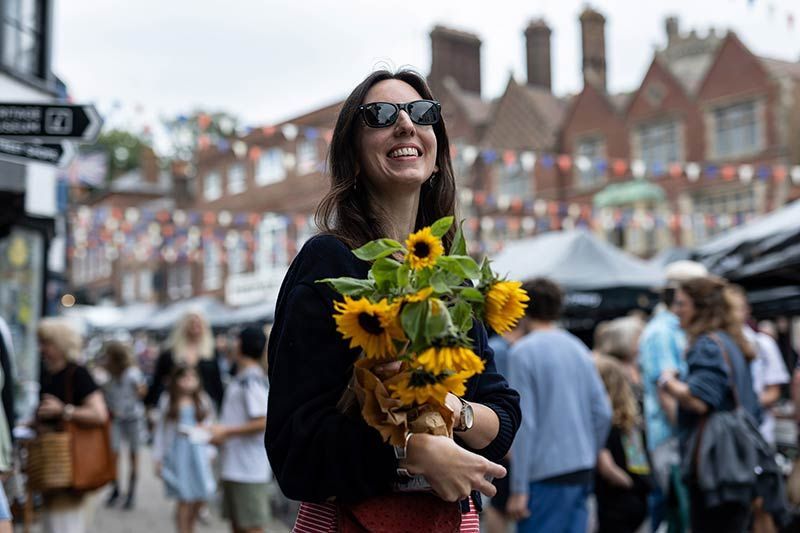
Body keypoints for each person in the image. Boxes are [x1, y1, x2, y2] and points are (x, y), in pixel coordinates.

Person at [265, 69, 520, 532]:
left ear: (438, 154)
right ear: (354, 158)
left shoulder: (451, 275)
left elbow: (501, 416)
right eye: (380, 115)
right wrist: (412, 452)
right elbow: (295, 452)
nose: (405, 124)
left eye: (423, 114)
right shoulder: (329, 263)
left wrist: (449, 407)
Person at [505, 277, 612, 533]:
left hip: (543, 474)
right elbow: (603, 412)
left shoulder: (522, 352)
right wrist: (590, 449)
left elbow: (525, 423)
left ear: (523, 308)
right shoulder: (577, 347)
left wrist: (519, 488)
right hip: (581, 468)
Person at [658, 276, 761, 533]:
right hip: (735, 461)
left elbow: (700, 400)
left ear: (701, 307)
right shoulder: (729, 340)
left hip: (716, 465)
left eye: (682, 304)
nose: (676, 311)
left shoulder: (707, 344)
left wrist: (668, 382)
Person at [638, 260, 707, 533]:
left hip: (677, 437)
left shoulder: (672, 328)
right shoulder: (662, 332)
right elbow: (666, 391)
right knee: (680, 514)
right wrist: (686, 435)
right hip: (673, 438)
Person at [36, 318, 110, 533]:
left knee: (65, 524)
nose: (42, 349)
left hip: (70, 464)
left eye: (46, 343)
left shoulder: (77, 373)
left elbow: (99, 413)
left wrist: (65, 411)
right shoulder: (48, 373)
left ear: (59, 344)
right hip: (51, 466)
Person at [727, 285, 789, 533]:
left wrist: (744, 405)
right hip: (736, 436)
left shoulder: (762, 344)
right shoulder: (722, 343)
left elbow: (774, 389)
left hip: (759, 433)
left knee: (762, 501)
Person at [209, 326, 271, 533]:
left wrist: (225, 432)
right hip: (236, 465)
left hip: (248, 468)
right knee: (238, 525)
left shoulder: (251, 380)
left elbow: (262, 421)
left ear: (240, 345)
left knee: (251, 527)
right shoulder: (246, 378)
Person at [152, 364, 216, 533]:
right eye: (184, 377)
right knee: (183, 497)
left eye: (192, 377)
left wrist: (211, 452)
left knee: (199, 495)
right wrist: (157, 458)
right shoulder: (168, 400)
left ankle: (191, 527)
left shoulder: (203, 399)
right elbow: (161, 431)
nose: (188, 381)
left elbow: (209, 427)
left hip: (198, 454)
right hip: (178, 454)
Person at [594, 355, 652, 533]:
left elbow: (607, 467)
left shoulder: (603, 422)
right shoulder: (629, 422)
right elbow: (639, 464)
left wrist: (624, 482)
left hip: (615, 503)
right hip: (635, 500)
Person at [485, 325, 525, 533]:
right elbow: (497, 398)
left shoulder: (507, 347)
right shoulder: (499, 349)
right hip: (504, 436)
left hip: (509, 435)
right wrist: (507, 443)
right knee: (499, 502)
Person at [100, 340, 148, 510]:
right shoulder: (111, 375)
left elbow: (142, 391)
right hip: (117, 419)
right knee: (113, 454)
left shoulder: (131, 373)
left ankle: (131, 493)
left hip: (132, 418)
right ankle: (116, 489)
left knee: (133, 455)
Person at [145, 311, 224, 410]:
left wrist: (222, 405)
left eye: (198, 323)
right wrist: (149, 404)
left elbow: (216, 382)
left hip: (205, 405)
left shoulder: (211, 351)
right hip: (175, 406)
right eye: (192, 323)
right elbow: (158, 380)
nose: (195, 326)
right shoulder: (169, 353)